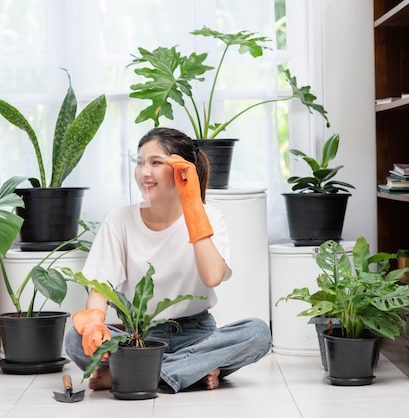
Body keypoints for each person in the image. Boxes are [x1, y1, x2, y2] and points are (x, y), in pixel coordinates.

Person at [65, 127, 271, 393]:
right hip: (140, 339)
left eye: (155, 163)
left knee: (257, 333)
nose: (144, 172)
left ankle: (133, 374)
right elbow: (99, 290)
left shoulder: (209, 216)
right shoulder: (120, 220)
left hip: (198, 335)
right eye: (139, 163)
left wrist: (193, 206)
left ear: (181, 170)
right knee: (74, 338)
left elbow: (212, 277)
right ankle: (189, 372)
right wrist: (93, 323)